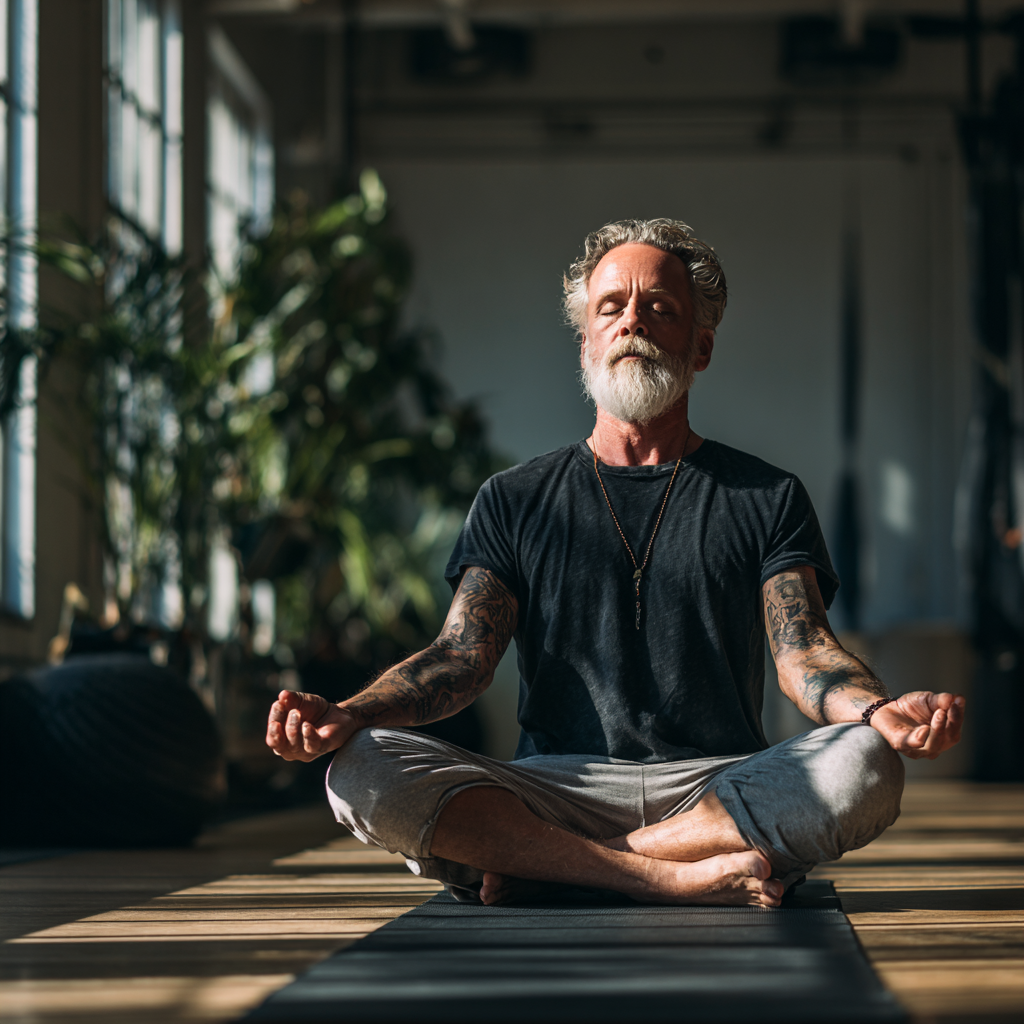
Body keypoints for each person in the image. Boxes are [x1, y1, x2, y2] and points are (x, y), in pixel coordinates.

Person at [266, 218, 965, 908]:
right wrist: (349, 713)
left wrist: (877, 711)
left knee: (865, 763)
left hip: (714, 787)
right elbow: (460, 658)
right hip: (551, 789)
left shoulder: (767, 496)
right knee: (358, 767)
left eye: (661, 309)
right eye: (612, 307)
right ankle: (673, 876)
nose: (633, 321)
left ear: (702, 347)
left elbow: (804, 652)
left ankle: (547, 867)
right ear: (586, 344)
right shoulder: (514, 499)